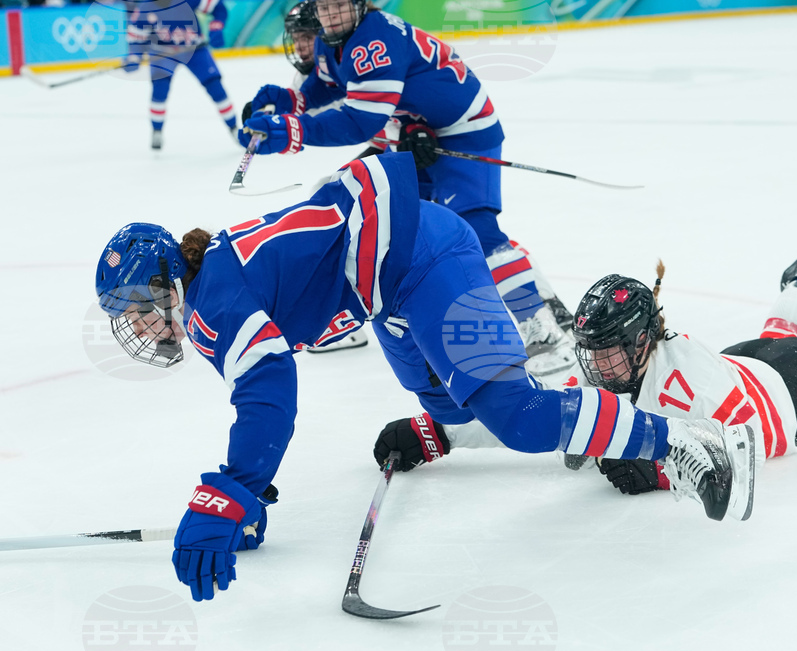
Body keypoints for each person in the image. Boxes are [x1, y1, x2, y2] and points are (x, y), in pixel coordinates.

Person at [94, 152, 757, 603]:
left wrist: (229, 494)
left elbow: (269, 396)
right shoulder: (211, 283)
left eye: (136, 308)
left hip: (424, 259)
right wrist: (248, 497)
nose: (138, 327)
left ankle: (680, 441)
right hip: (395, 286)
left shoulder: (211, 304)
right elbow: (267, 393)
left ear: (165, 284)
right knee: (452, 409)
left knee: (521, 421)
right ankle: (586, 417)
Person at [373, 191, 797, 505]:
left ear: (644, 341)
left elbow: (744, 444)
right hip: (748, 361)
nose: (599, 366)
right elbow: (530, 411)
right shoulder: (617, 369)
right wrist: (439, 434)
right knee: (778, 338)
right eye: (593, 351)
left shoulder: (691, 380)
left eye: (612, 351)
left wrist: (660, 470)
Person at [239, 0, 576, 375]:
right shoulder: (332, 40)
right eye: (324, 6)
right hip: (410, 135)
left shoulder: (375, 40)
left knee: (478, 232)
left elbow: (359, 121)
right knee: (350, 209)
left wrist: (290, 131)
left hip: (462, 132)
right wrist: (289, 102)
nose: (331, 14)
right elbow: (327, 87)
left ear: (359, 5)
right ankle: (344, 321)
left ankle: (543, 327)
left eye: (339, 5)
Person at [123, 0, 238, 150]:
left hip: (194, 49)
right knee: (160, 89)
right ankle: (157, 130)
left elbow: (218, 7)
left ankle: (234, 127)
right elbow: (136, 36)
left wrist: (216, 26)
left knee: (214, 86)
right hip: (163, 52)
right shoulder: (145, 7)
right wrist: (134, 57)